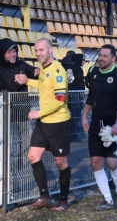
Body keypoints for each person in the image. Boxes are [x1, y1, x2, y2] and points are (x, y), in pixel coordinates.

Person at [15, 38, 71, 211]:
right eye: (36, 50)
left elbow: (60, 100)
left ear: (50, 50)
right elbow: (42, 86)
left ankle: (63, 200)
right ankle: (44, 196)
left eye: (41, 50)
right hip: (43, 122)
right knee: (33, 156)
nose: (38, 53)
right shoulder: (44, 70)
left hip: (58, 123)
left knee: (61, 163)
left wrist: (38, 112)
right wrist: (27, 82)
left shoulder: (58, 70)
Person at [82, 44, 117, 211]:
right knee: (95, 163)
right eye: (100, 55)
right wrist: (84, 116)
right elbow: (90, 97)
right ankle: (108, 200)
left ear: (113, 59)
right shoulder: (93, 73)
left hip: (113, 126)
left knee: (112, 163)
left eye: (105, 56)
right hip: (96, 125)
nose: (101, 58)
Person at [0, 38, 39, 197]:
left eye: (14, 51)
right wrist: (19, 83)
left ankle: (25, 181)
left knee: (28, 150)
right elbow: (4, 94)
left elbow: (33, 72)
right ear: (2, 53)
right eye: (9, 51)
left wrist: (37, 71)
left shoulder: (21, 64)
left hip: (25, 115)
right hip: (8, 117)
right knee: (11, 153)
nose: (13, 54)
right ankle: (11, 188)